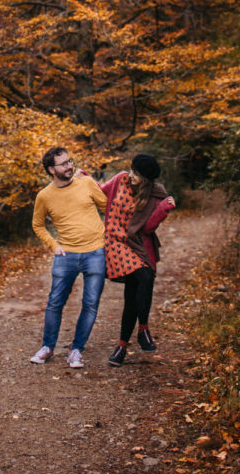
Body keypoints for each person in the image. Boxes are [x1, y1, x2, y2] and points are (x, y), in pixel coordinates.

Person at [30, 145, 107, 369]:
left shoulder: (86, 183)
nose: (70, 166)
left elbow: (108, 207)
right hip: (67, 255)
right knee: (55, 303)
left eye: (70, 161)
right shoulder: (44, 196)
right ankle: (47, 347)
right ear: (51, 170)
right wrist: (53, 245)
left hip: (96, 252)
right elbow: (37, 225)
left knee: (90, 303)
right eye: (64, 164)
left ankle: (76, 350)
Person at [100, 153, 175, 367]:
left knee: (136, 290)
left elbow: (149, 228)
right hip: (116, 243)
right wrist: (83, 179)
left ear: (146, 179)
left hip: (138, 245)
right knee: (143, 276)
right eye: (132, 171)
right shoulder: (120, 179)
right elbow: (100, 190)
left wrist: (163, 209)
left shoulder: (155, 194)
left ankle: (122, 346)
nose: (131, 175)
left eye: (136, 173)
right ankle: (143, 329)